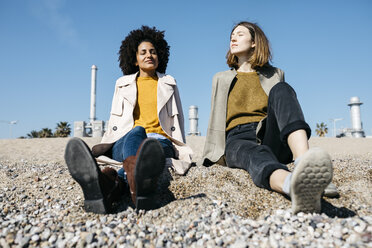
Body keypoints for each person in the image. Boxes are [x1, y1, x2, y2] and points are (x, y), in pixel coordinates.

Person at [200, 21, 337, 214]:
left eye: (240, 34)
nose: (233, 38)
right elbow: (215, 118)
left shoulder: (275, 74)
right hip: (237, 139)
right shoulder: (220, 78)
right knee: (256, 155)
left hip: (268, 132)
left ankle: (303, 163)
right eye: (232, 35)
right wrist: (213, 153)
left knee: (282, 89)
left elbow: (282, 109)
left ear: (255, 42)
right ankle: (292, 184)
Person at [65, 26, 192, 214]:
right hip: (126, 140)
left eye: (153, 52)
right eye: (143, 52)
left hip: (157, 144)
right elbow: (115, 122)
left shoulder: (169, 83)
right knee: (137, 131)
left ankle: (111, 185)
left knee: (148, 146)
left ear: (160, 56)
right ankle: (137, 184)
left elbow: (178, 121)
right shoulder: (122, 84)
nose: (149, 55)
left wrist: (180, 148)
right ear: (134, 59)